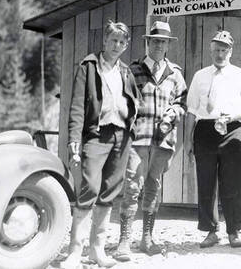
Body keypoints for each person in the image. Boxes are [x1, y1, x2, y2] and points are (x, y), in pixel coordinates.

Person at [61, 21, 140, 268]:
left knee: (109, 192)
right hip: (96, 135)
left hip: (121, 136)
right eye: (113, 40)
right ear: (104, 41)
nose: (117, 45)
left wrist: (132, 126)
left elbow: (134, 100)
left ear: (126, 45)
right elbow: (76, 107)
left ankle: (97, 250)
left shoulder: (125, 71)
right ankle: (75, 251)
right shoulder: (89, 66)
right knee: (88, 188)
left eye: (121, 42)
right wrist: (75, 139)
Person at [114, 21, 187, 261]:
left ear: (168, 45)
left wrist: (173, 113)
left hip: (163, 140)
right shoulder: (132, 70)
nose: (159, 45)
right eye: (155, 41)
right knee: (133, 186)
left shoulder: (175, 73)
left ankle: (147, 237)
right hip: (138, 138)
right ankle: (124, 240)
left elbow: (182, 102)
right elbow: (122, 101)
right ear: (148, 42)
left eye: (163, 42)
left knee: (153, 186)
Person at [184, 30, 241, 248]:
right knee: (206, 183)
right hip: (205, 131)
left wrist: (232, 116)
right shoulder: (200, 76)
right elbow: (191, 111)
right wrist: (187, 141)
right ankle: (210, 231)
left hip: (233, 129)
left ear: (231, 51)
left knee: (233, 182)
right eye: (216, 50)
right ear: (210, 50)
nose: (220, 54)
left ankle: (233, 230)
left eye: (224, 50)